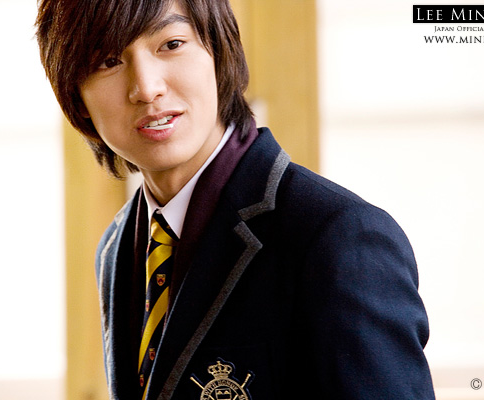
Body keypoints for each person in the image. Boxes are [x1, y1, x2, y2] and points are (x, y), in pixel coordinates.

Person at [35, 0, 435, 399]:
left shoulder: (340, 237)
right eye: (107, 61)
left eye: (171, 44)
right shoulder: (115, 245)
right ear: (77, 97)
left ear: (219, 49)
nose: (146, 88)